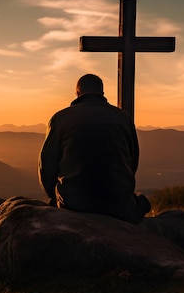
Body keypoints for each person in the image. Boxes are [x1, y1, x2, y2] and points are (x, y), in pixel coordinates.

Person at [38, 73, 150, 224]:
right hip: (119, 207)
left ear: (77, 93)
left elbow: (47, 166)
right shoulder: (123, 118)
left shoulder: (60, 118)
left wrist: (54, 197)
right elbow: (132, 161)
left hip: (74, 204)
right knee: (142, 202)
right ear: (102, 93)